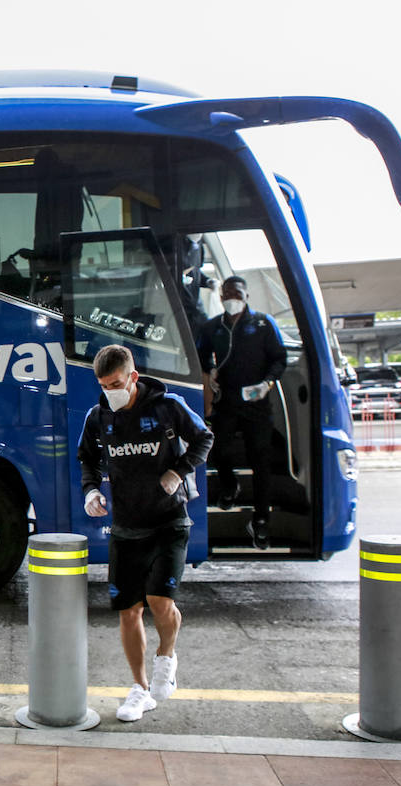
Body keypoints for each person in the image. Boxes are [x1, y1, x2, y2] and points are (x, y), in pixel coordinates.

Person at [77, 344, 213, 722]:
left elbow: (204, 438)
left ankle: (166, 657)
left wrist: (178, 470)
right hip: (126, 526)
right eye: (103, 385)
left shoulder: (167, 407)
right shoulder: (98, 416)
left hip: (170, 522)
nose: (110, 391)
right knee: (128, 611)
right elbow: (87, 458)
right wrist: (90, 491)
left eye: (116, 383)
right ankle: (139, 689)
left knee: (160, 602)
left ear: (132, 377)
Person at [194, 275, 286, 549]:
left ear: (246, 295)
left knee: (261, 462)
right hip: (227, 401)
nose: (230, 298)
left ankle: (260, 520)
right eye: (225, 294)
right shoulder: (213, 327)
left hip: (257, 404)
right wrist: (209, 372)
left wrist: (267, 384)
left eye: (236, 293)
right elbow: (200, 353)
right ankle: (229, 484)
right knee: (219, 449)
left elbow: (279, 358)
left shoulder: (263, 324)